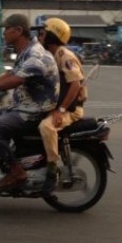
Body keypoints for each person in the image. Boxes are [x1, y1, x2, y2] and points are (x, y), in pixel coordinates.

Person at [0, 14, 59, 190]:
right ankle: (9, 157)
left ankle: (16, 170)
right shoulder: (25, 51)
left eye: (6, 29)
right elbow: (12, 74)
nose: (3, 33)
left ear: (18, 30)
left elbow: (17, 79)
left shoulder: (35, 53)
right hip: (22, 106)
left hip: (34, 111)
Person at [34, 17, 87, 192]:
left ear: (52, 37)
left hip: (71, 110)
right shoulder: (51, 55)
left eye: (42, 33)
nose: (39, 37)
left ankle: (52, 170)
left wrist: (60, 111)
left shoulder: (65, 56)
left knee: (46, 127)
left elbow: (75, 84)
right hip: (59, 106)